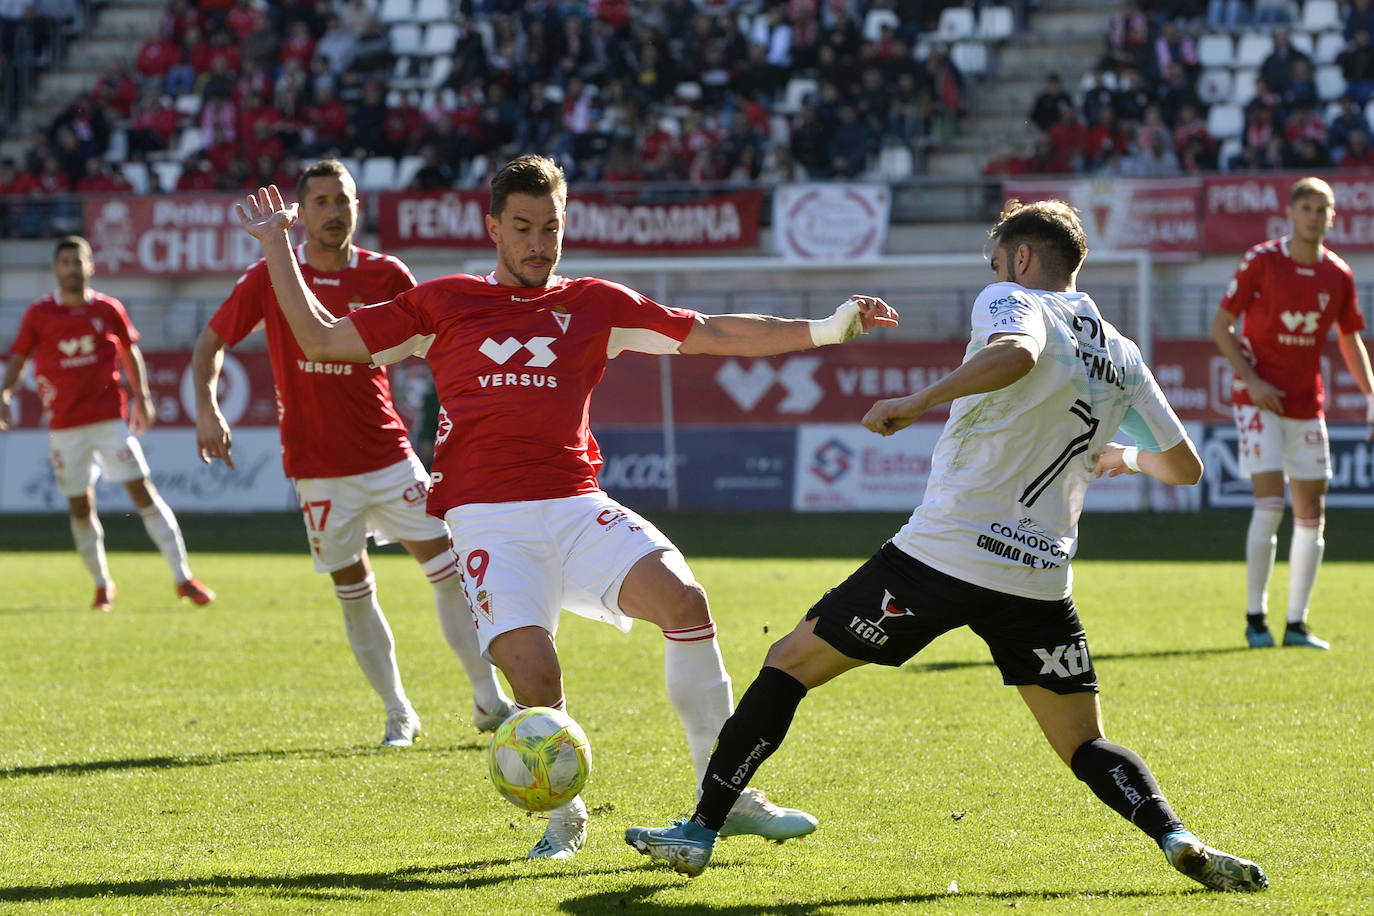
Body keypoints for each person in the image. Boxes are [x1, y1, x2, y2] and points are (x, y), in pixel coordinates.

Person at [232, 154, 898, 860]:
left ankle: (723, 796)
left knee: (685, 602)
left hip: (577, 506)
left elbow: (709, 332)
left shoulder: (595, 303)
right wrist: (278, 243)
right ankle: (566, 815)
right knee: (538, 679)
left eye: (550, 227)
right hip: (487, 520)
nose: (538, 242)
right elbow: (322, 338)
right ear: (493, 227)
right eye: (522, 227)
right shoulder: (442, 301)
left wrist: (828, 329)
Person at [625, 199, 1270, 894]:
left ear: (1022, 259)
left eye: (997, 262)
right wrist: (1124, 457)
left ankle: (698, 831)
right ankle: (1177, 836)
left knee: (788, 664)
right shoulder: (1122, 352)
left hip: (943, 555)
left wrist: (916, 401)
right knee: (1084, 743)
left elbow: (1015, 353)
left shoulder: (1013, 298)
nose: (992, 277)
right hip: (1039, 580)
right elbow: (1184, 467)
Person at [192, 159, 513, 746]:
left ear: (357, 206)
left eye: (343, 200)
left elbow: (436, 343)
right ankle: (398, 713)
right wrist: (207, 406)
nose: (333, 212)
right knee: (354, 591)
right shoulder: (271, 275)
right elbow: (211, 341)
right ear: (301, 211)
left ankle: (489, 701)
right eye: (320, 202)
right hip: (316, 468)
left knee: (448, 571)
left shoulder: (387, 274)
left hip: (387, 454)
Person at [0, 236, 215, 613]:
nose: (71, 268)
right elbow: (19, 358)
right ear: (56, 269)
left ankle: (183, 578)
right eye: (64, 262)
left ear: (90, 265)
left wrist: (143, 397)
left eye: (77, 261)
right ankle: (102, 586)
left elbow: (129, 350)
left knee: (142, 490)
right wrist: (5, 393)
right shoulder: (39, 315)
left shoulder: (107, 308)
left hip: (107, 419)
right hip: (64, 427)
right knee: (81, 507)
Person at [1210, 176, 1374, 652]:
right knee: (1270, 503)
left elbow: (1349, 340)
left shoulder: (1338, 274)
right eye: (1305, 207)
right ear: (1290, 213)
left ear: (1332, 217)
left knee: (1312, 511)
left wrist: (1371, 395)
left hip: (1306, 404)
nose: (1313, 216)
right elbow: (1221, 326)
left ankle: (1297, 625)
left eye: (1321, 209)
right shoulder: (1262, 261)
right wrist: (1253, 380)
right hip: (1258, 400)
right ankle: (1255, 619)